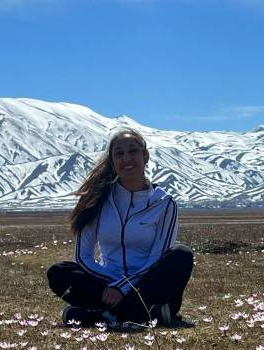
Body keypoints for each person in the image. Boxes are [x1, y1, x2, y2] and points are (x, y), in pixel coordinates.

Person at [46, 129, 194, 328]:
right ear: (112, 160)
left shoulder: (165, 203)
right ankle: (145, 315)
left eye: (133, 151)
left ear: (146, 156)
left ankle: (103, 316)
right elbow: (83, 257)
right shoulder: (96, 200)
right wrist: (114, 284)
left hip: (147, 283)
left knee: (181, 254)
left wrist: (125, 286)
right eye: (119, 153)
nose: (127, 158)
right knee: (58, 272)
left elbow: (157, 257)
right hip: (106, 284)